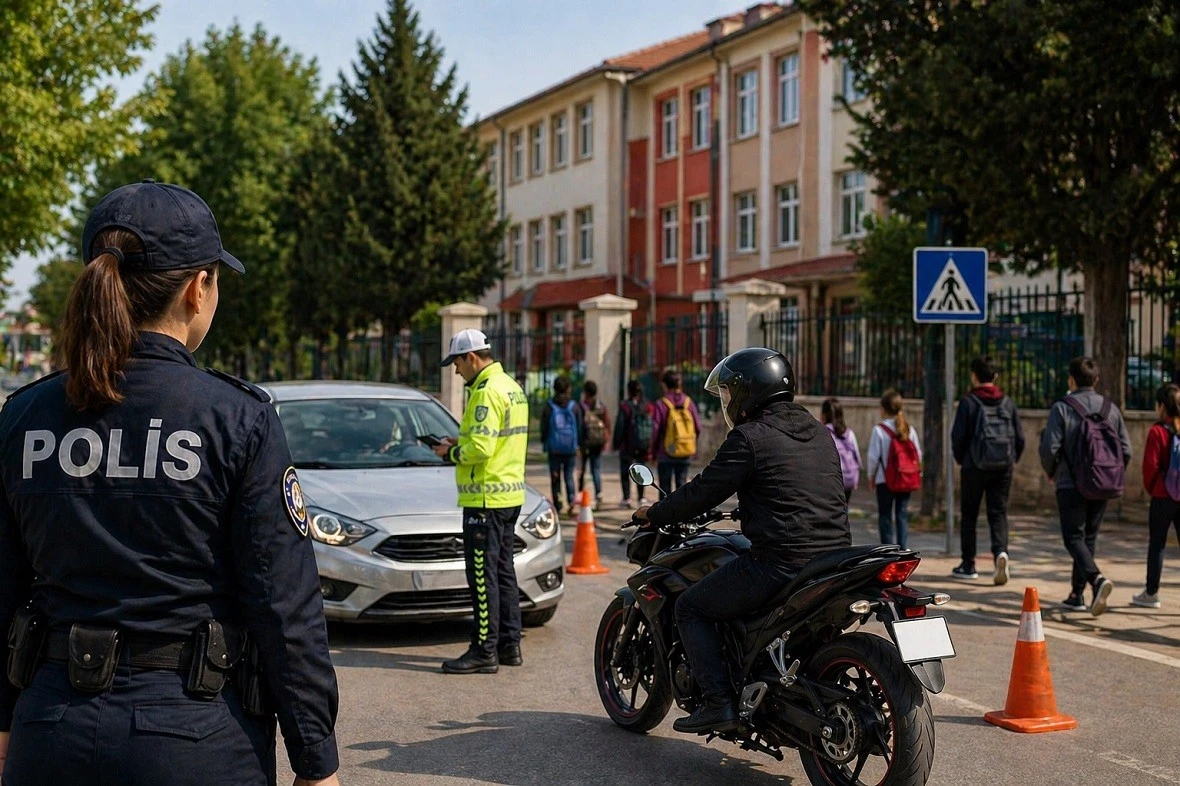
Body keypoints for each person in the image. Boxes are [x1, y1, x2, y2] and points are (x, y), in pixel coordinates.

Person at [0, 180, 340, 786]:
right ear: (197, 287)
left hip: (48, 733)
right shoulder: (237, 417)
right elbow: (285, 606)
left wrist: (4, 724)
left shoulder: (24, 416)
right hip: (198, 737)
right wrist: (316, 760)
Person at [635, 348, 851, 734]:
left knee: (690, 607)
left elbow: (703, 491)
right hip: (835, 558)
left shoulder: (751, 437)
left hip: (782, 562)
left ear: (750, 392)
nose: (729, 401)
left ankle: (719, 703)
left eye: (731, 392)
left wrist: (653, 512)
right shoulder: (818, 431)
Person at [435, 329, 529, 674]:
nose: (456, 372)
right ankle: (509, 644)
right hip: (509, 495)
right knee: (504, 571)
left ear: (471, 357)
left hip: (486, 498)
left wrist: (451, 452)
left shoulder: (486, 393)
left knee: (481, 575)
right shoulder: (511, 387)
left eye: (457, 363)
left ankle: (483, 650)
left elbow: (481, 448)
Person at [1038, 356, 1131, 616]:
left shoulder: (1063, 408)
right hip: (1102, 482)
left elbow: (1049, 448)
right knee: (1088, 537)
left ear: (1071, 379)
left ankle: (1096, 579)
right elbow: (1126, 449)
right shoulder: (1110, 409)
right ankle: (1076, 594)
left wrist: (1052, 472)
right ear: (1096, 380)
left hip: (1070, 483)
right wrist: (1111, 473)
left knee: (1073, 538)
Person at [950, 357, 1025, 585]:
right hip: (1003, 467)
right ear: (995, 377)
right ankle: (1000, 553)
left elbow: (958, 437)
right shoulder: (1007, 403)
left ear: (974, 376)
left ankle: (968, 564)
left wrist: (963, 460)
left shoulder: (968, 402)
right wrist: (1012, 459)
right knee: (998, 513)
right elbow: (1020, 437)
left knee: (969, 515)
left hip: (974, 466)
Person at [1131, 384, 1180, 609]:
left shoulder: (1157, 431)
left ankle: (1151, 594)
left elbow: (1149, 466)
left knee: (1157, 545)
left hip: (1162, 496)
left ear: (1161, 406)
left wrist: (1155, 488)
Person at [866, 389, 922, 549]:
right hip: (905, 478)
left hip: (885, 479)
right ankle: (903, 549)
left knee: (885, 516)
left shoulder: (879, 430)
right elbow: (917, 454)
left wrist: (871, 476)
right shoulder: (909, 430)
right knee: (902, 514)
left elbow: (873, 457)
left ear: (883, 409)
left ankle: (888, 552)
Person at [650, 370, 702, 492]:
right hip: (685, 451)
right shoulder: (688, 402)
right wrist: (690, 443)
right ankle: (682, 511)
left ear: (664, 385)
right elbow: (698, 428)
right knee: (682, 487)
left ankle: (665, 511)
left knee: (664, 489)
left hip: (666, 452)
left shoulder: (661, 403)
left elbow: (656, 430)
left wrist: (653, 452)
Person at [540, 377, 581, 516]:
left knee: (555, 476)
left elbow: (544, 428)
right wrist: (579, 444)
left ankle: (558, 504)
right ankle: (571, 502)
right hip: (570, 448)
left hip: (554, 448)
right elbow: (580, 427)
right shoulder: (574, 406)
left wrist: (544, 443)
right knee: (569, 476)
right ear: (568, 389)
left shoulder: (549, 406)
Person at [613, 379, 653, 509]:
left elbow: (620, 426)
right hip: (643, 444)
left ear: (629, 391)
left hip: (627, 445)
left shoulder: (625, 406)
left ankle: (627, 498)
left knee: (625, 471)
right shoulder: (647, 405)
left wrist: (616, 443)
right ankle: (641, 497)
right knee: (641, 471)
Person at [821, 397, 861, 511]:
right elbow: (856, 456)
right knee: (844, 510)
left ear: (824, 414)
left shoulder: (823, 433)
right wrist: (856, 478)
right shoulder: (849, 433)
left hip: (831, 481)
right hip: (848, 480)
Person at [577, 380, 611, 509]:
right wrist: (605, 440)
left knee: (582, 469)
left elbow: (579, 425)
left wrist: (579, 444)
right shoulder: (601, 406)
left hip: (585, 442)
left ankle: (580, 494)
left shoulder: (581, 406)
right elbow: (607, 424)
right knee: (595, 469)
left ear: (585, 392)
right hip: (597, 442)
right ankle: (599, 495)